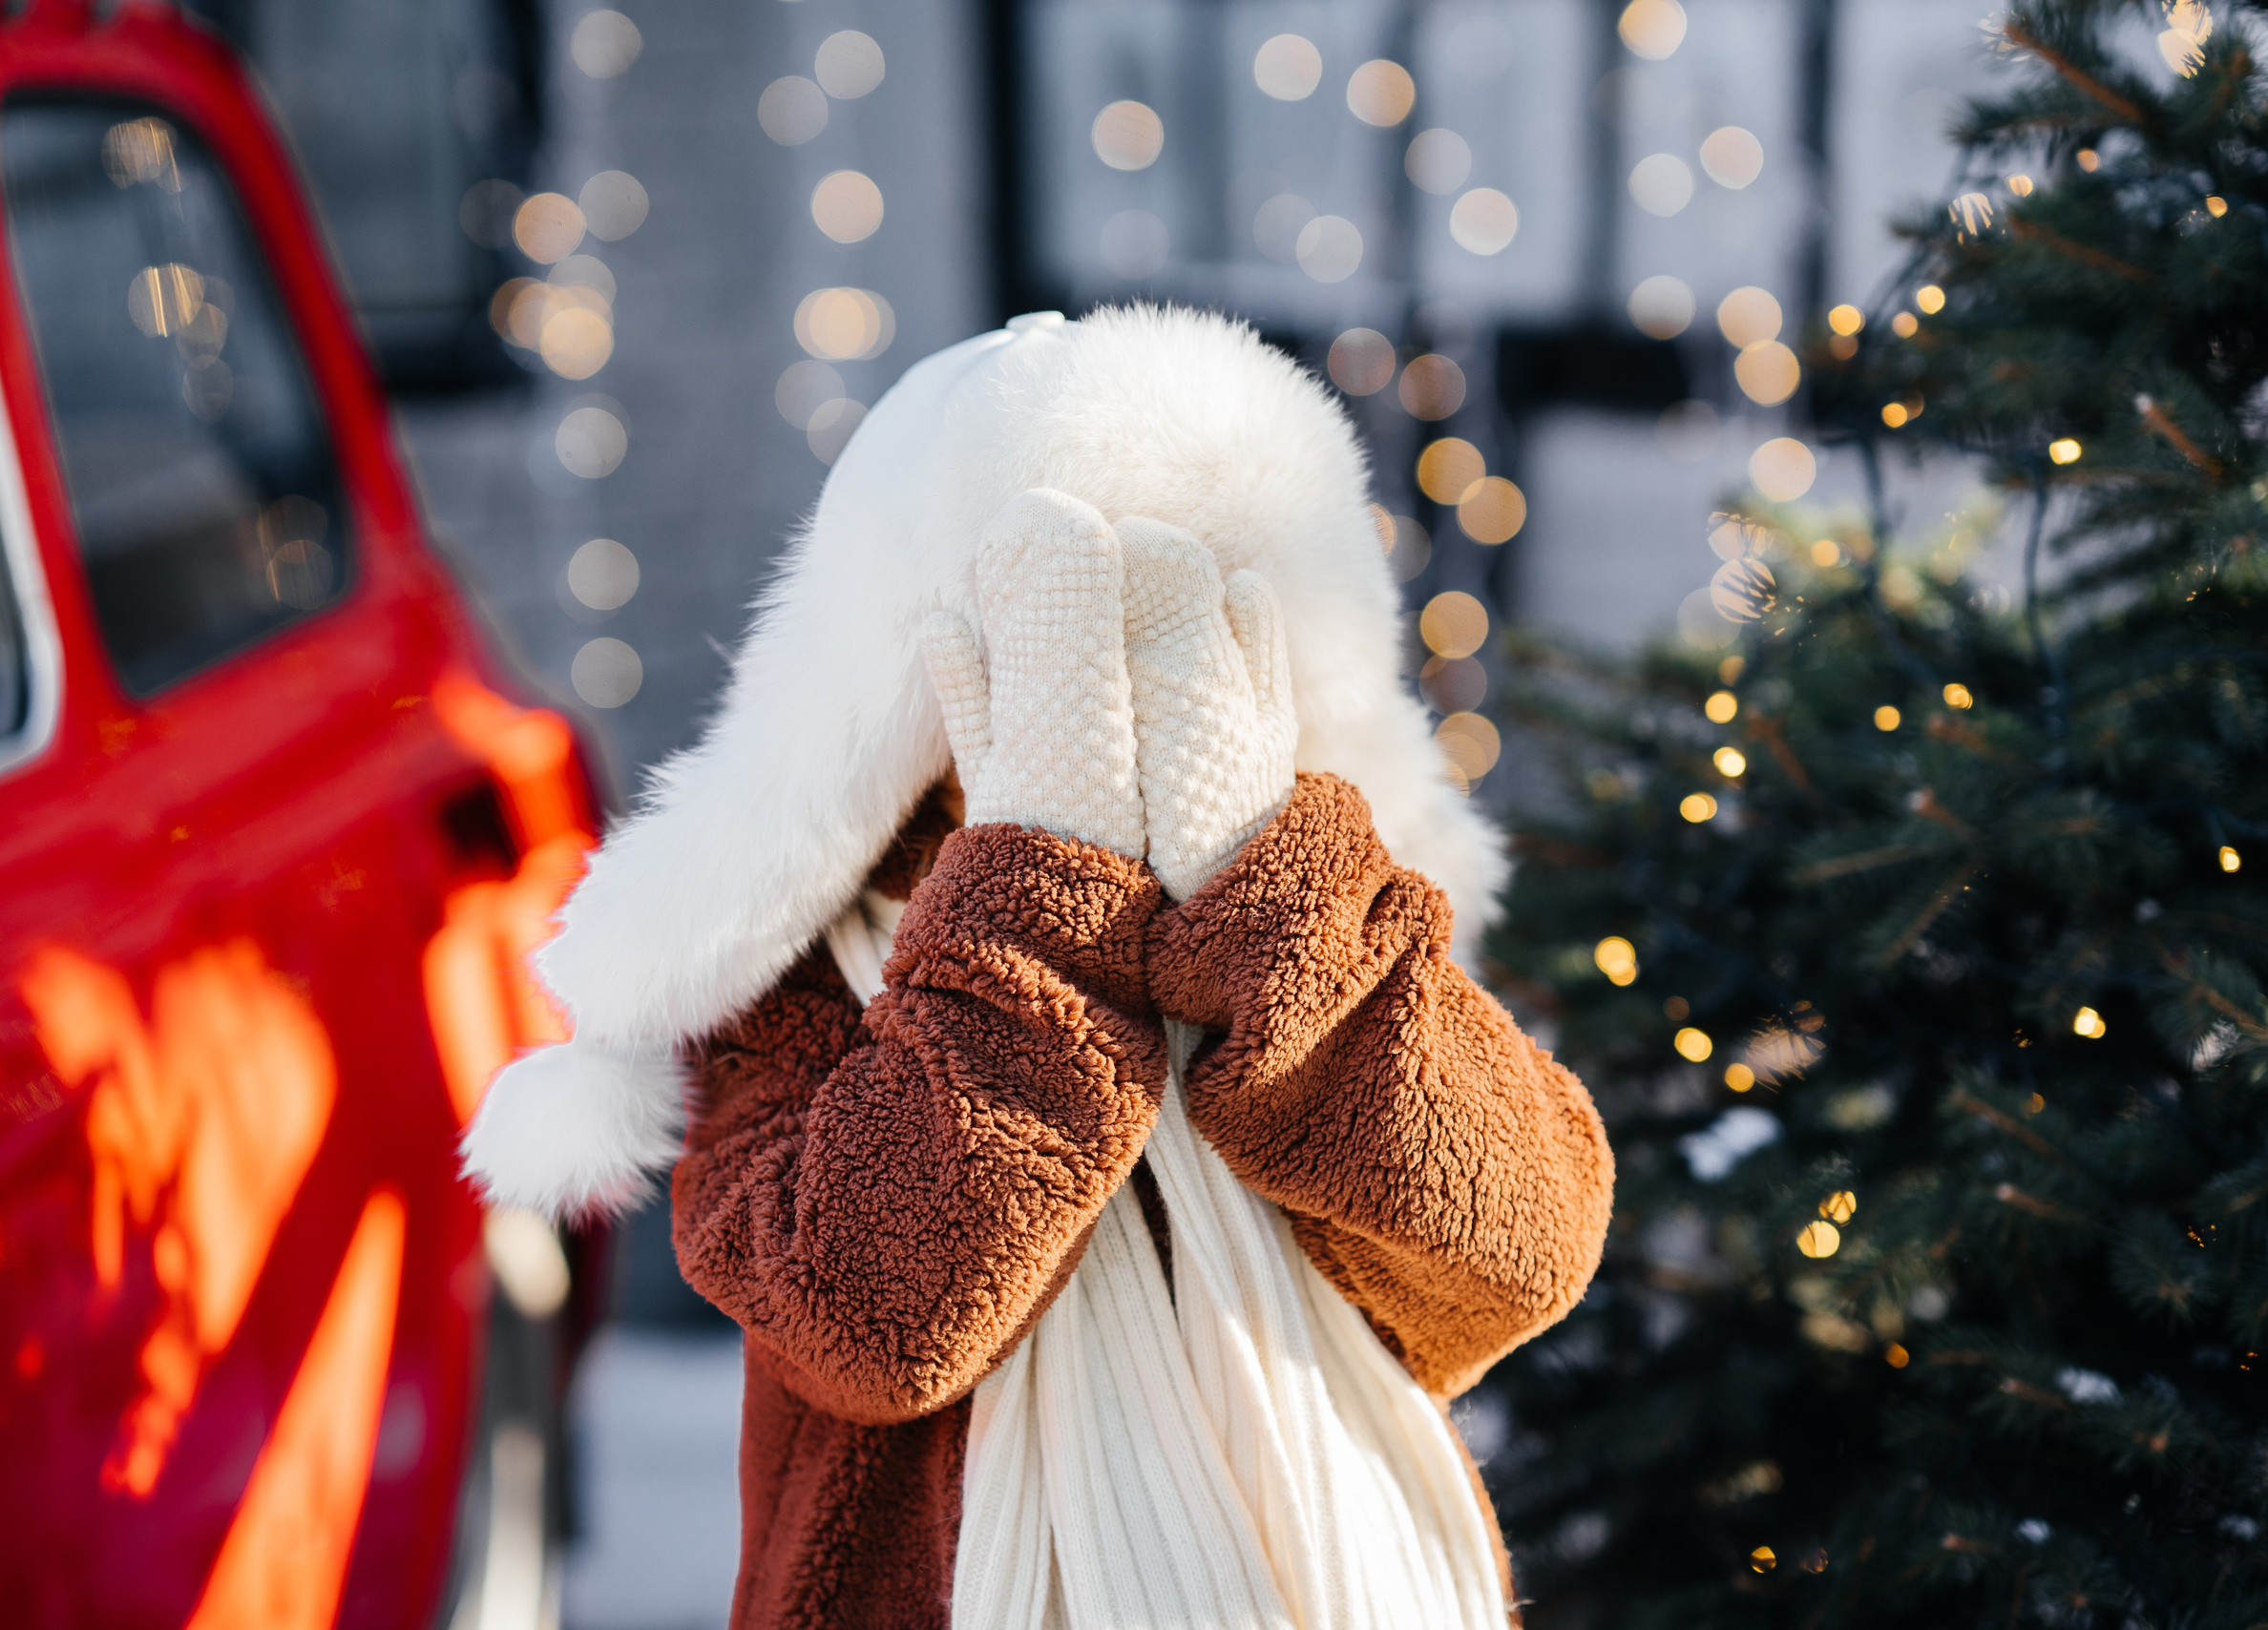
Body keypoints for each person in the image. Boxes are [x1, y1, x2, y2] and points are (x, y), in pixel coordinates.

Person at [464, 306, 1613, 1629]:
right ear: (908, 686)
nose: (1120, 686)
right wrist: (1040, 880)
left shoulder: (1330, 925)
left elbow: (1516, 1254)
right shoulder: (795, 994)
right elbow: (871, 1322)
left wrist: (1261, 877)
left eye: (1172, 635)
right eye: (1061, 641)